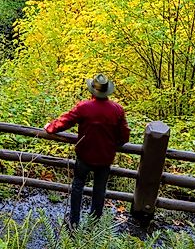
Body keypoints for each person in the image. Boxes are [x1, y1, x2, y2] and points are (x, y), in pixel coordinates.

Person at [44, 74, 130, 227]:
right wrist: (112, 144)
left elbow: (66, 121)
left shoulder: (84, 107)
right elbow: (124, 136)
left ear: (92, 91)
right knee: (99, 191)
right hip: (105, 158)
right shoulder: (117, 109)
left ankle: (74, 222)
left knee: (78, 186)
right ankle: (93, 225)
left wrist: (50, 127)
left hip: (84, 155)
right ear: (107, 92)